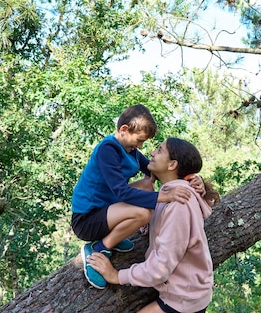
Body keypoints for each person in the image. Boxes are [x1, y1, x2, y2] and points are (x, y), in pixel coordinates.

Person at [88, 137, 220, 313]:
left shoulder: (178, 204)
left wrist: (117, 275)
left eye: (159, 151)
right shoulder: (173, 193)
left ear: (172, 164)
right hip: (192, 293)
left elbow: (160, 267)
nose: (151, 153)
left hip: (182, 299)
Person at [71, 104, 204, 289]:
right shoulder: (108, 149)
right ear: (124, 129)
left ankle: (115, 235)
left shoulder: (130, 151)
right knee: (143, 214)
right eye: (140, 140)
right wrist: (164, 197)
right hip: (87, 219)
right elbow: (121, 191)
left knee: (146, 183)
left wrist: (192, 179)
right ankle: (98, 248)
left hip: (106, 210)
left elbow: (155, 169)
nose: (141, 146)